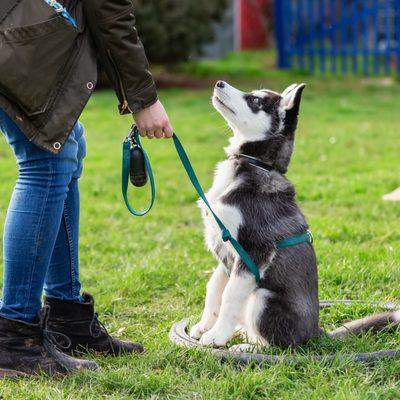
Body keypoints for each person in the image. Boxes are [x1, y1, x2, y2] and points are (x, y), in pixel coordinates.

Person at [0, 0, 172, 377]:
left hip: (21, 36)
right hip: (18, 43)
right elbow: (109, 12)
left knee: (66, 148)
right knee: (46, 163)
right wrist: (144, 99)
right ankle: (13, 338)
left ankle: (67, 316)